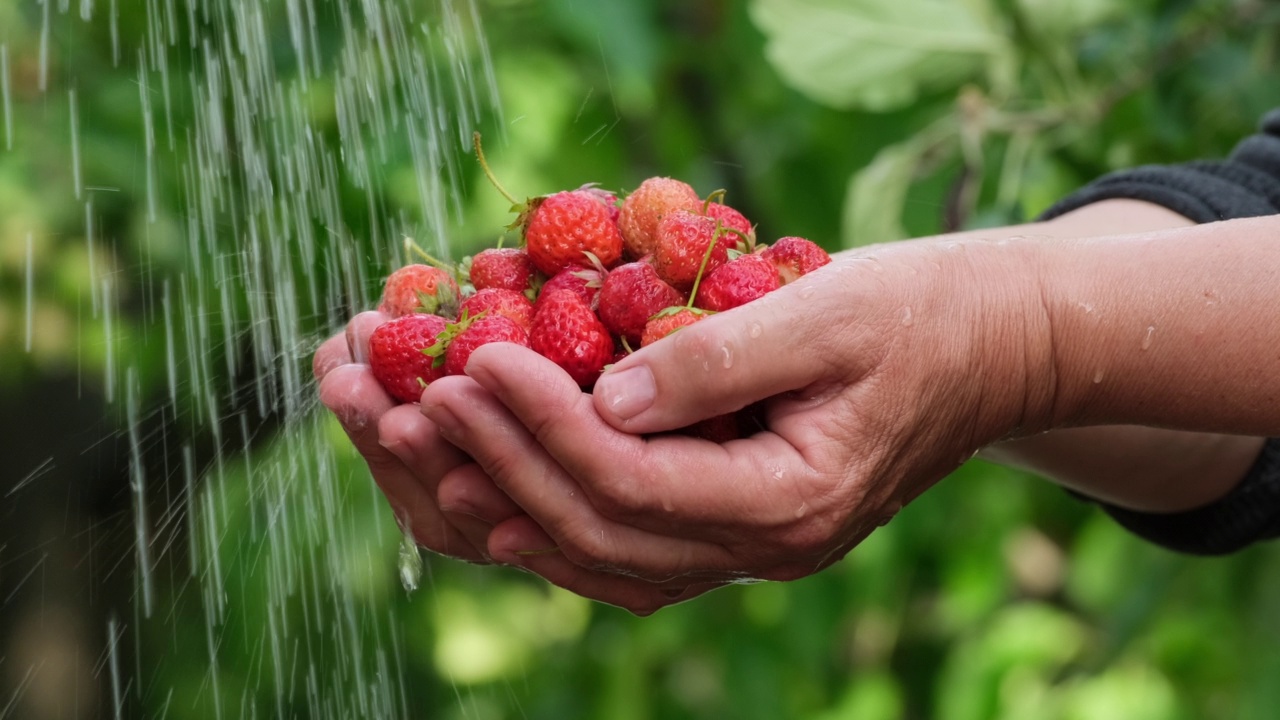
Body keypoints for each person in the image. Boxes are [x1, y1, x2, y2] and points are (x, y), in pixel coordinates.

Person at [314, 111, 1280, 615]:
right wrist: (992, 353)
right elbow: (1245, 248)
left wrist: (1015, 331)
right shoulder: (593, 288)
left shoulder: (652, 277)